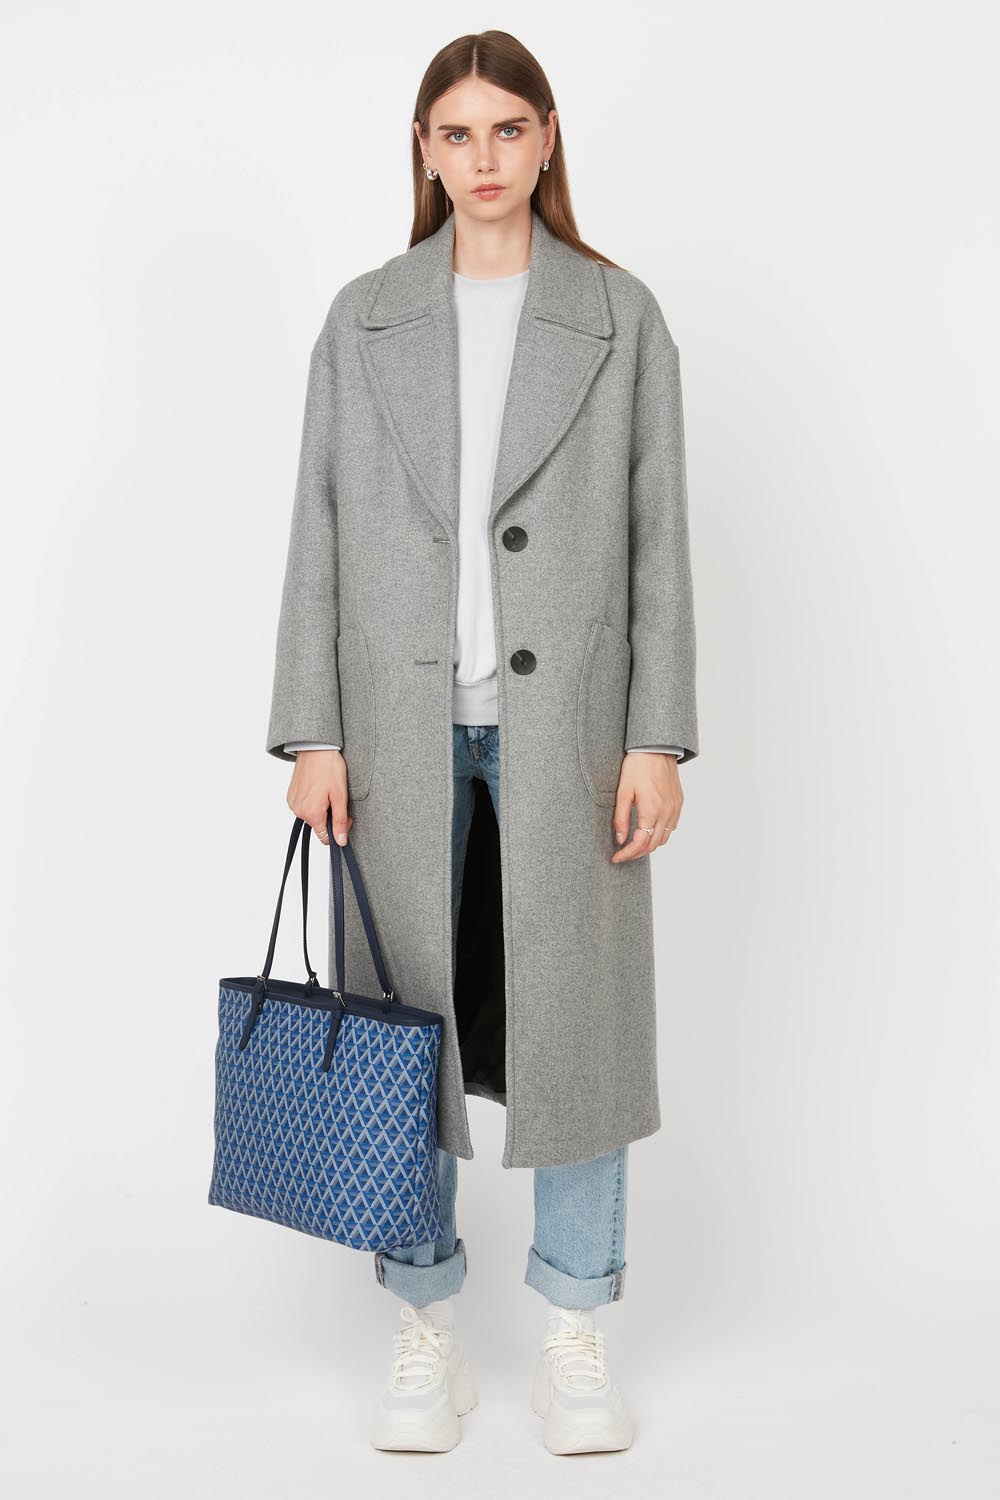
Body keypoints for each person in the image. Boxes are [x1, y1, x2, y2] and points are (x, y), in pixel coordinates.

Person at [266, 30, 698, 1457]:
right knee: (405, 1034)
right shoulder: (365, 318)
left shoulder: (620, 317)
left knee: (581, 1032)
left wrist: (657, 737)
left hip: (571, 734)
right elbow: (320, 528)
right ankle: (425, 1326)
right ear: (425, 150)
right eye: (457, 133)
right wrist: (312, 728)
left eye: (509, 128)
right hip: (393, 732)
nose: (485, 157)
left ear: (548, 137)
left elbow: (657, 542)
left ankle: (575, 1329)